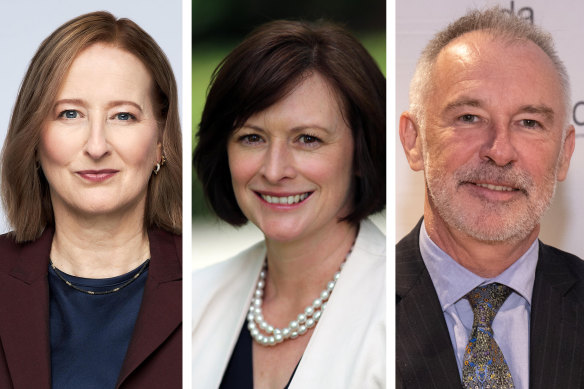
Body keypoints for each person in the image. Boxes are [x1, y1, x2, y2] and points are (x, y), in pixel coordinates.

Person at [396, 7, 584, 389]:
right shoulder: (364, 299)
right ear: (414, 141)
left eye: (529, 123)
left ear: (564, 153)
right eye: (469, 117)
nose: (499, 151)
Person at [192, 20, 386, 388]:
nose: (274, 169)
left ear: (361, 154)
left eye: (308, 139)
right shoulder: (191, 300)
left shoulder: (402, 311)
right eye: (252, 138)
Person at [0, 11, 182, 388]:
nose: (97, 146)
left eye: (123, 116)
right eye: (70, 113)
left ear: (161, 140)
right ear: (34, 138)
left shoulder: (201, 285)